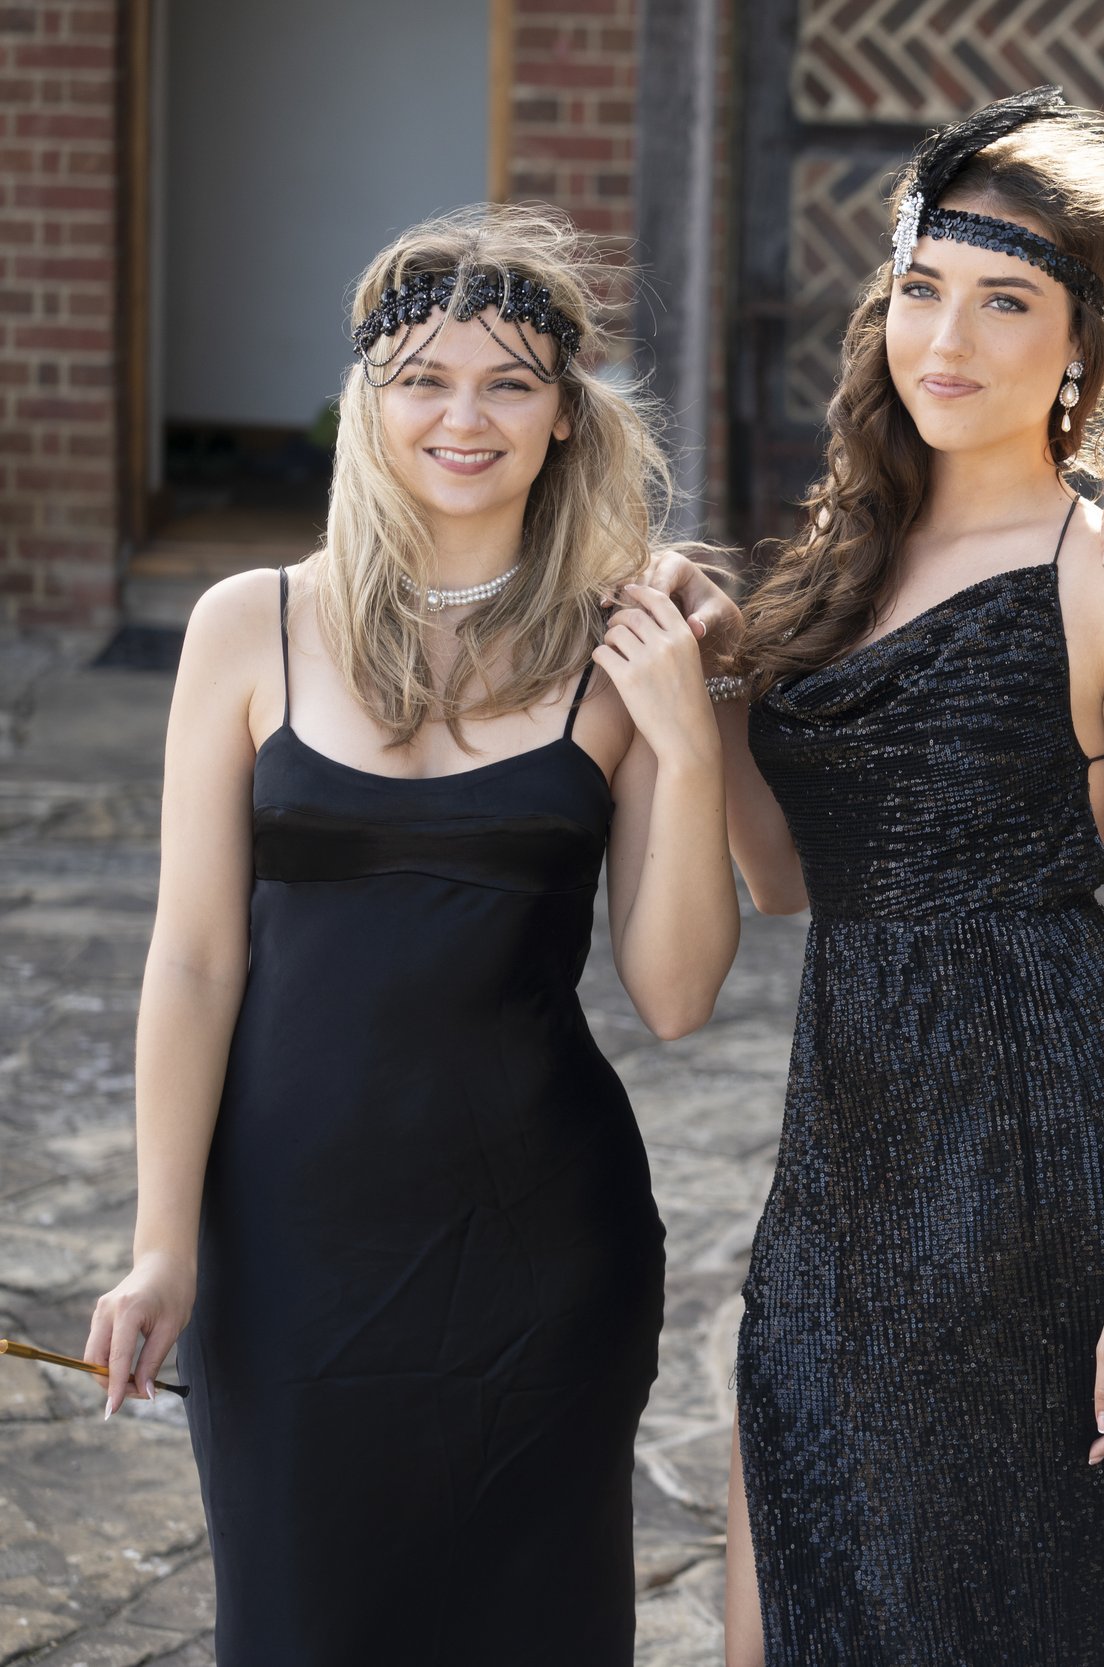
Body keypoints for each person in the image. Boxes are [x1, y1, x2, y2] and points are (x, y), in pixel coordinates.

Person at [81, 204, 740, 1661]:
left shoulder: (625, 651)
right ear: (364, 403)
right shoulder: (250, 624)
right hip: (287, 1246)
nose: (465, 415)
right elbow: (194, 957)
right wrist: (159, 1245)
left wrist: (689, 746)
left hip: (538, 1255)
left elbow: (679, 994)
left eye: (509, 381)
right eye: (423, 376)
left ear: (566, 418)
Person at [697, 92, 1104, 1665]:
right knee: (793, 1581)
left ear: (1078, 347)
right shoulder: (841, 556)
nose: (953, 335)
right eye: (925, 288)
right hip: (846, 1131)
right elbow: (791, 881)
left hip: (1034, 1138)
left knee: (974, 1599)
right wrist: (709, 693)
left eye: (1008, 302)